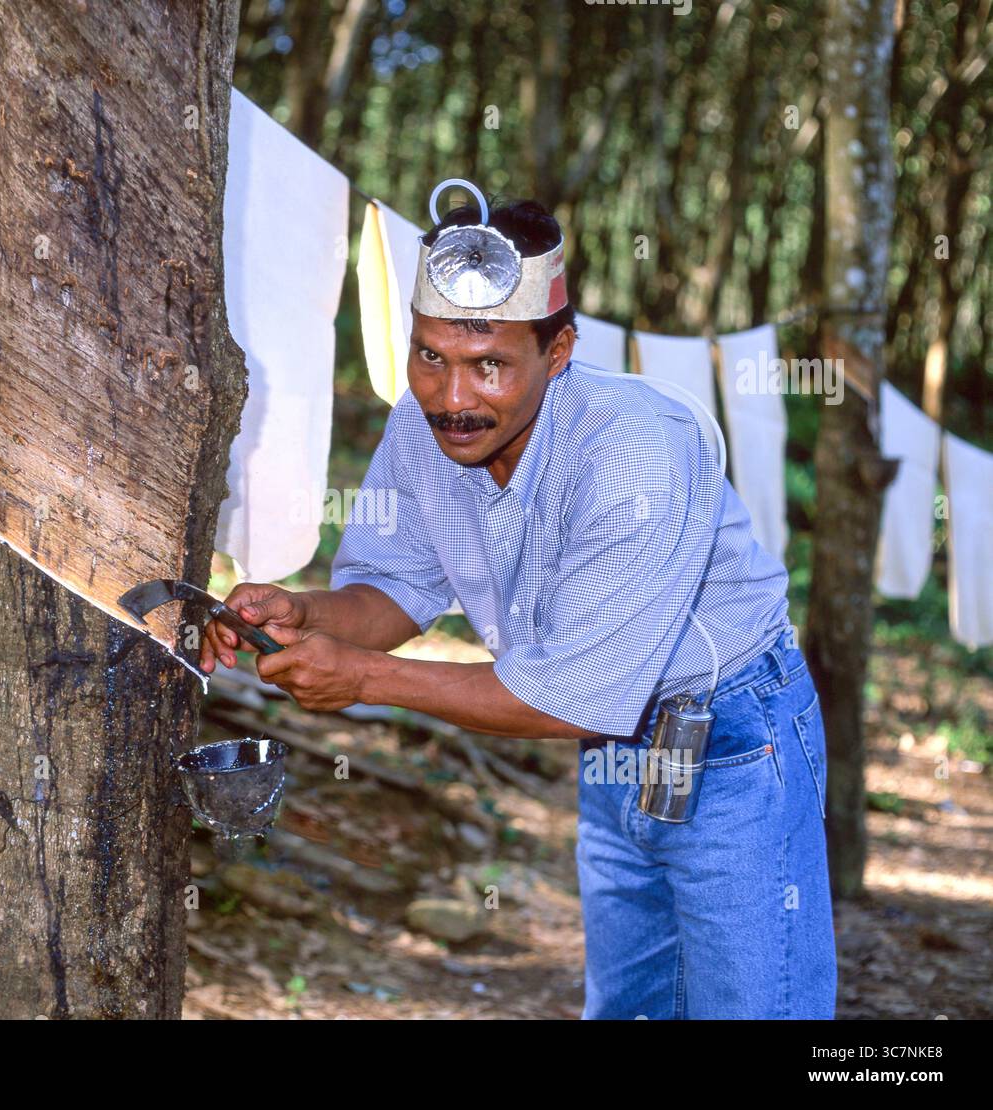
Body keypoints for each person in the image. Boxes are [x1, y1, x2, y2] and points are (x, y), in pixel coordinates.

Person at [198, 183, 837, 1020]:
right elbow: (397, 588)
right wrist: (304, 615)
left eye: (489, 364)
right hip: (616, 754)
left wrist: (361, 679)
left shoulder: (633, 453)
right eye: (430, 356)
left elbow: (564, 697)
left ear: (558, 349)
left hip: (733, 744)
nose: (452, 397)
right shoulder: (422, 431)